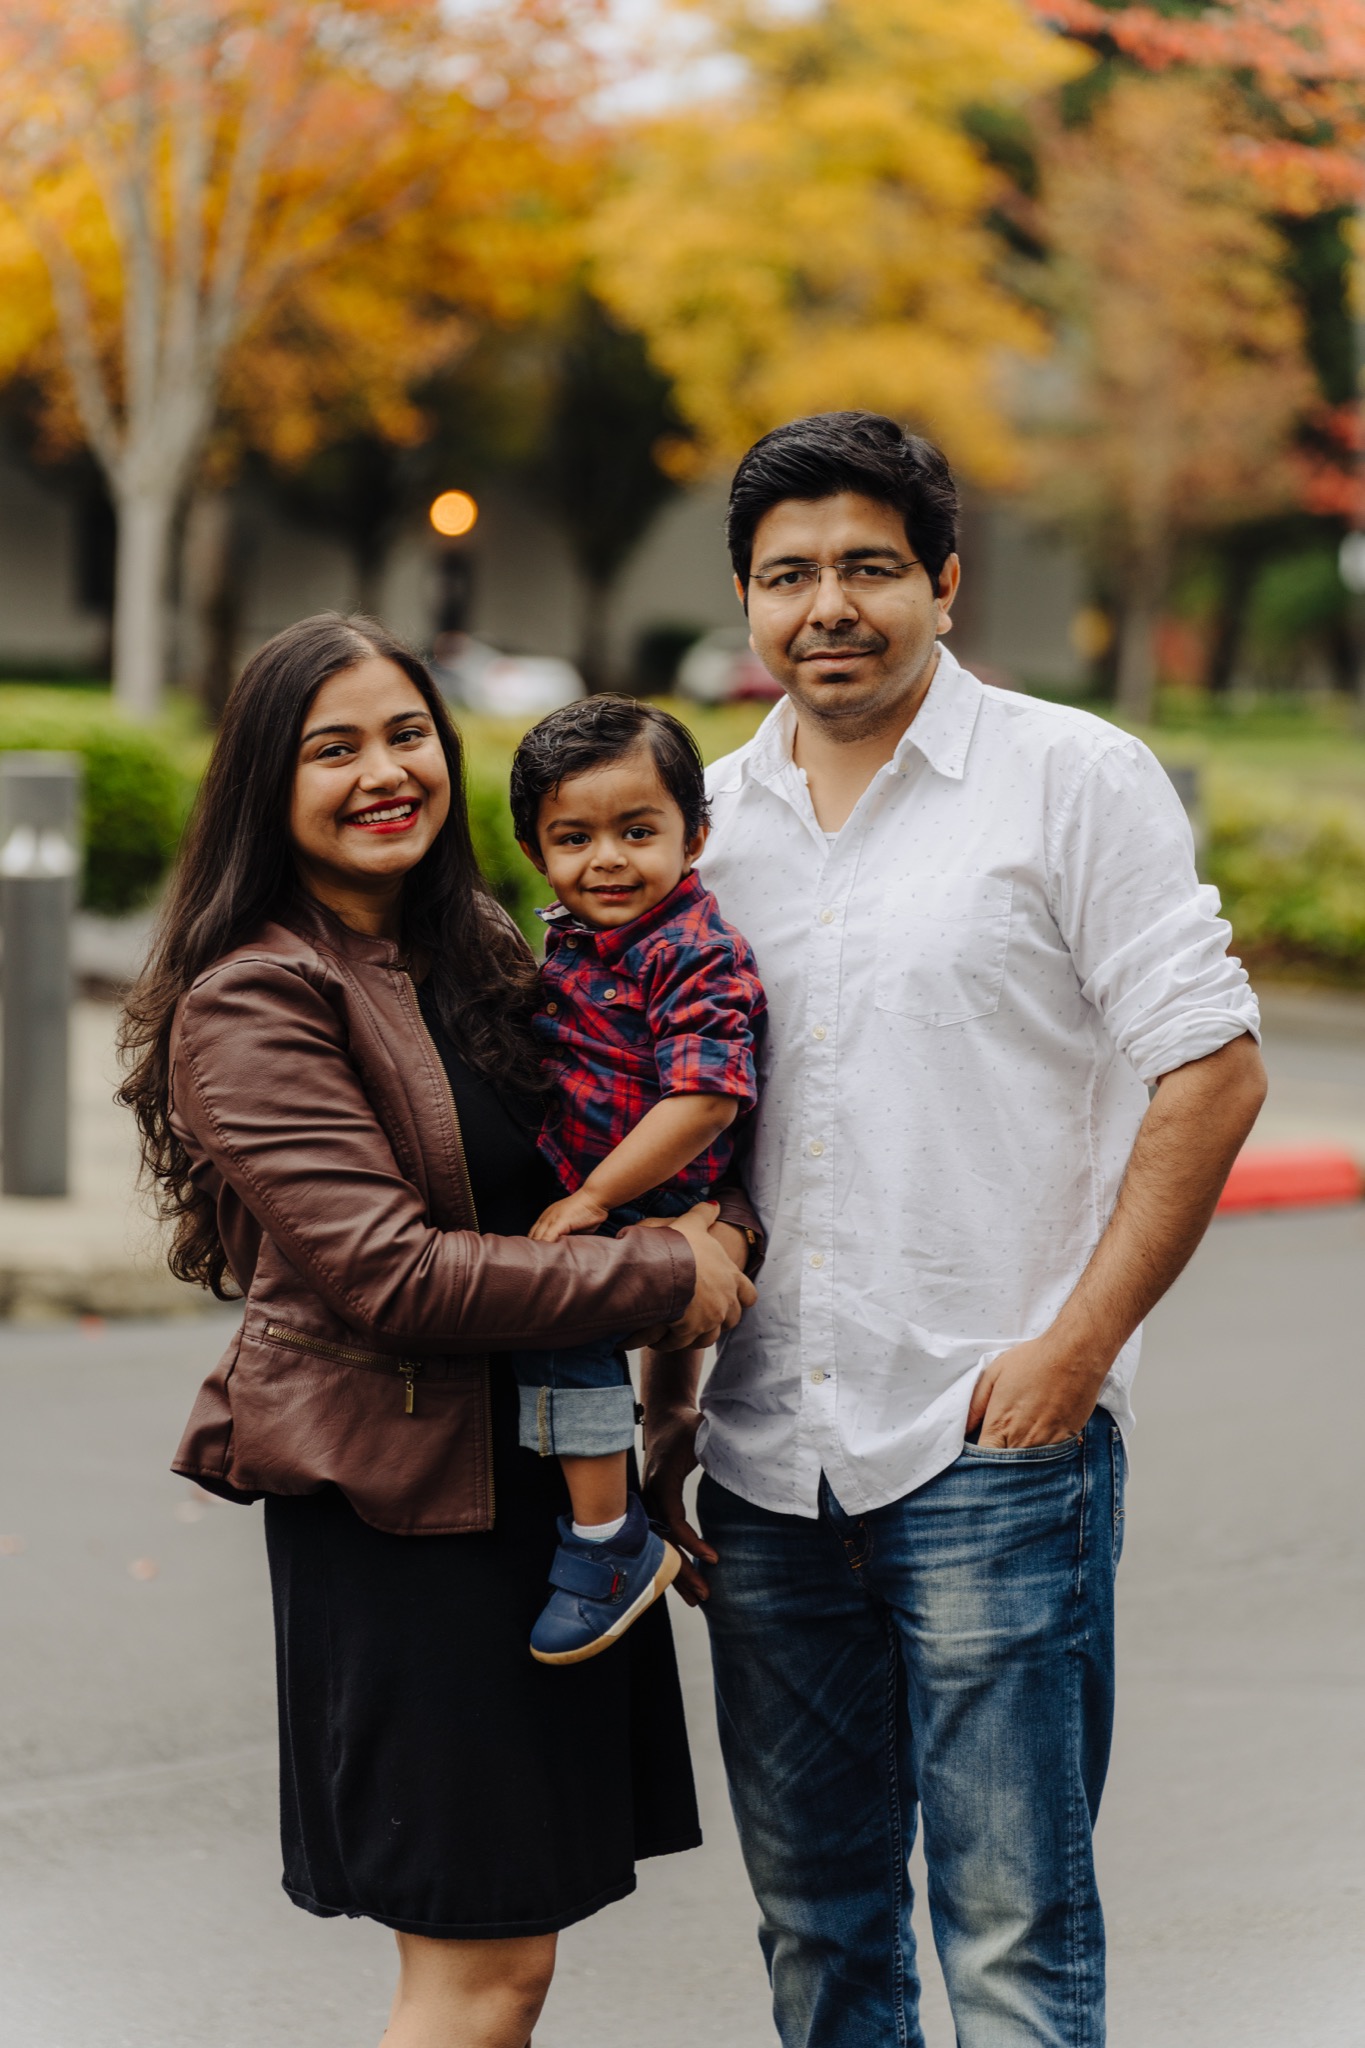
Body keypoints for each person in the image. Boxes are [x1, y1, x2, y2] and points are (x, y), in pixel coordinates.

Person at [642, 412, 1268, 2048]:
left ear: (945, 580)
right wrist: (667, 1402)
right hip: (768, 1468)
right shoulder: (702, 820)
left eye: (868, 566)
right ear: (745, 598)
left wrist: (1077, 1348)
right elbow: (673, 1128)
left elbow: (1212, 1072)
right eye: (789, 575)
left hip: (993, 1445)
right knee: (821, 1934)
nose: (826, 605)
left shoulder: (1070, 777)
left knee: (1011, 1939)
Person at [117, 613, 759, 2048]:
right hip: (413, 1525)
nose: (382, 772)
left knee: (513, 1962)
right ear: (264, 787)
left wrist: (662, 1417)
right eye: (331, 748)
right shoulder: (257, 999)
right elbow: (394, 1279)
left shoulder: (473, 949)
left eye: (406, 733)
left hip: (549, 1494)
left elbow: (621, 1155)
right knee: (473, 1972)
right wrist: (671, 1270)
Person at [506, 698, 765, 1664]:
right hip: (631, 1202)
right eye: (573, 837)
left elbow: (705, 1100)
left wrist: (592, 1200)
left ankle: (604, 1541)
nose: (606, 859)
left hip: (656, 1201)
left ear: (695, 836)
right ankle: (655, 1442)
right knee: (576, 1341)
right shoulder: (574, 940)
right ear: (536, 852)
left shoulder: (694, 950)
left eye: (637, 831)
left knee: (564, 1326)